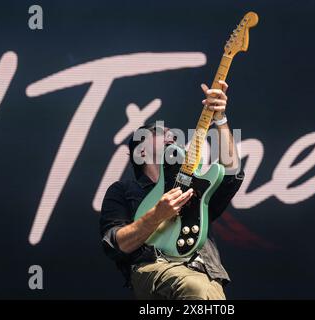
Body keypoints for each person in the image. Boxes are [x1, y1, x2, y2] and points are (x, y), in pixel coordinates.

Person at [100, 80, 244, 300]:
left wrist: (220, 119)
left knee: (202, 289)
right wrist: (157, 215)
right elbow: (117, 244)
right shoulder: (123, 190)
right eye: (159, 132)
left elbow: (231, 170)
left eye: (174, 135)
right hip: (154, 269)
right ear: (140, 153)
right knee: (196, 289)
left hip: (204, 272)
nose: (173, 136)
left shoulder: (200, 186)